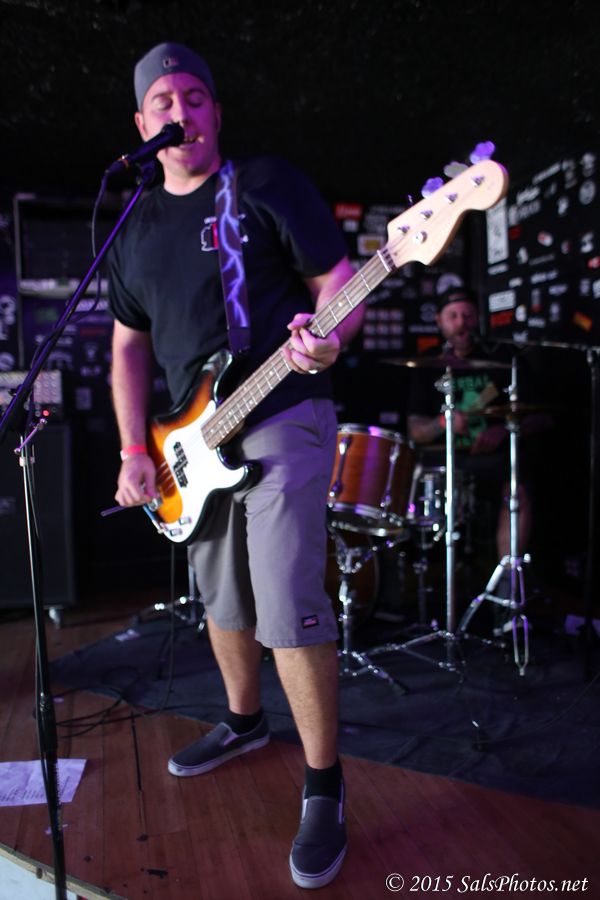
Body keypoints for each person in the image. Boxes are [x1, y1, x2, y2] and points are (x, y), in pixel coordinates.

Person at [107, 42, 364, 890]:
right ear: (141, 124)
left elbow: (338, 279)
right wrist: (134, 448)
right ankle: (245, 720)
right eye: (163, 102)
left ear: (216, 112)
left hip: (282, 404)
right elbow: (128, 348)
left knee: (285, 594)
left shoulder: (262, 183)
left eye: (195, 97)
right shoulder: (134, 228)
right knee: (220, 597)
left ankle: (324, 786)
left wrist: (327, 340)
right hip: (194, 440)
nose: (180, 111)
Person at [406, 286, 533, 566]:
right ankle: (425, 573)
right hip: (443, 460)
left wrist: (505, 429)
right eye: (453, 316)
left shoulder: (504, 358)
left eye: (467, 315)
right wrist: (444, 422)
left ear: (478, 318)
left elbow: (541, 415)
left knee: (518, 485)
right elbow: (415, 430)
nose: (461, 323)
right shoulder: (426, 364)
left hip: (492, 458)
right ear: (439, 321)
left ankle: (507, 578)